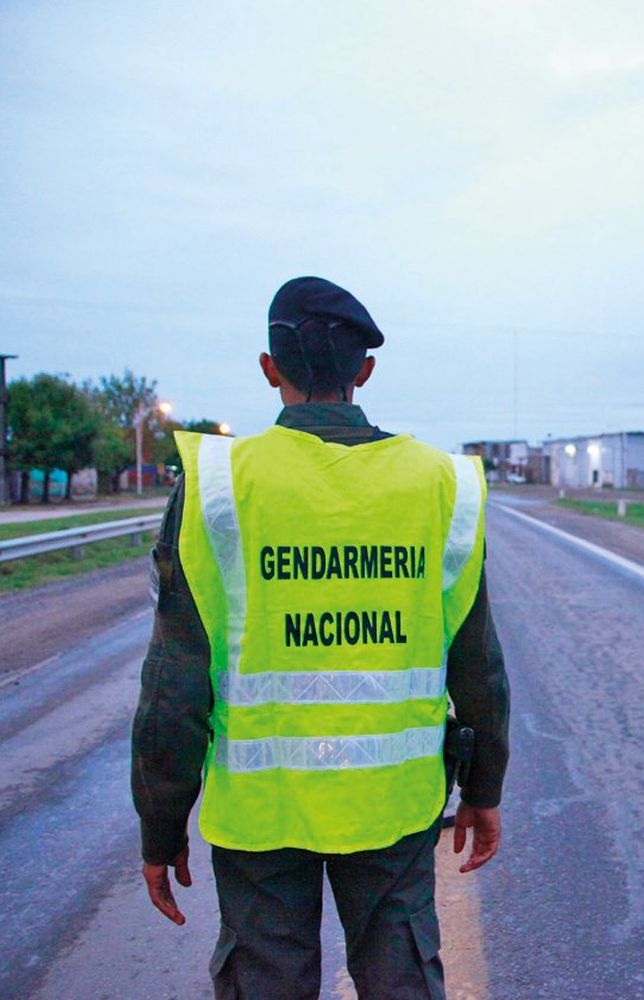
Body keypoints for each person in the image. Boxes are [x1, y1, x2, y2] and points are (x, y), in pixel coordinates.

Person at [131, 276, 510, 999]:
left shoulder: (219, 485)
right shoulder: (441, 484)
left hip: (259, 813)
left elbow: (174, 678)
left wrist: (161, 821)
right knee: (403, 977)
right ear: (364, 371)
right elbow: (478, 662)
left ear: (270, 369)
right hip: (392, 807)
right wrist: (483, 787)